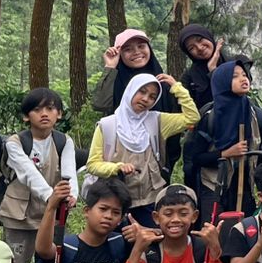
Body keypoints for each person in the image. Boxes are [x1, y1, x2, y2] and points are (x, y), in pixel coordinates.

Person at [85, 71, 200, 229]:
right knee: (118, 245)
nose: (146, 99)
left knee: (152, 244)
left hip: (149, 200)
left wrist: (176, 87)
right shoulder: (108, 125)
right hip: (116, 201)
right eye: (142, 92)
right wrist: (117, 167)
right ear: (131, 90)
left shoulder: (157, 120)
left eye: (152, 96)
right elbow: (93, 164)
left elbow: (192, 117)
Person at [0, 87, 74, 263]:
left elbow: (69, 174)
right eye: (37, 110)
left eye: (50, 108)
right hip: (19, 217)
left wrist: (72, 196)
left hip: (51, 218)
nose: (44, 114)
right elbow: (28, 173)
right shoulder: (15, 142)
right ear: (26, 116)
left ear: (60, 114)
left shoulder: (64, 141)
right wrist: (52, 197)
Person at [183, 60, 262, 222]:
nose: (243, 79)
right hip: (214, 188)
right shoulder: (211, 116)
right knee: (214, 234)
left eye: (244, 75)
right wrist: (226, 153)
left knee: (242, 236)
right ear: (222, 81)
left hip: (245, 188)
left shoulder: (256, 115)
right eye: (235, 76)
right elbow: (196, 157)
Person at [176, 23, 230, 110]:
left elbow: (233, 96)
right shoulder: (188, 78)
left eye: (200, 40)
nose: (199, 48)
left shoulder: (237, 63)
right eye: (191, 48)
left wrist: (213, 70)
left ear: (208, 36)